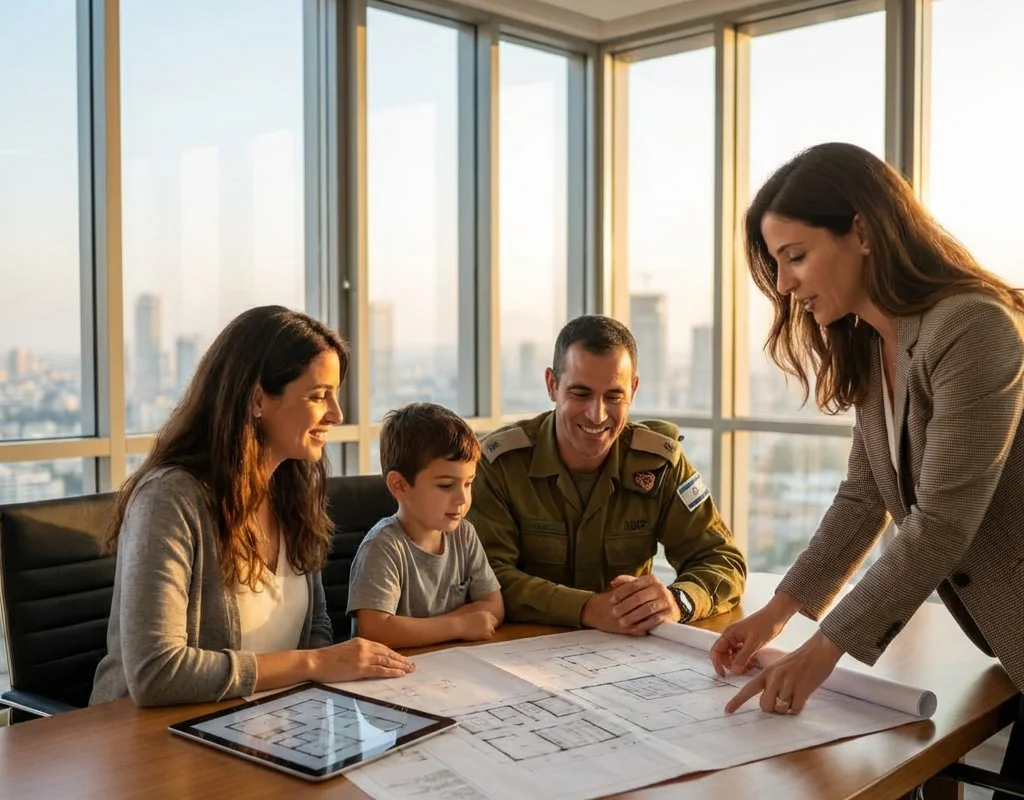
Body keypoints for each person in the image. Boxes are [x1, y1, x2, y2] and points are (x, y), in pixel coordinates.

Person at [713, 142, 1024, 728]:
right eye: (776, 262)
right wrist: (777, 613)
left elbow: (942, 520)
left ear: (861, 231)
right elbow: (863, 497)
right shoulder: (874, 345)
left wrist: (822, 650)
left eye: (795, 256)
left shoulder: (972, 326)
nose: (783, 283)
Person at [90, 306, 414, 707]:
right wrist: (313, 664)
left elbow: (315, 627)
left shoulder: (293, 489)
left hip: (266, 721)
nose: (336, 413)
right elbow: (155, 673)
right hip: (153, 733)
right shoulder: (168, 499)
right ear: (257, 399)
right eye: (318, 396)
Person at [469, 315, 746, 633]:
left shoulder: (659, 462)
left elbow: (721, 559)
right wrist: (586, 609)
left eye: (614, 396)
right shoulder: (499, 464)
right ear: (552, 385)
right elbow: (485, 576)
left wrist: (678, 601)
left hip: (628, 652)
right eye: (580, 394)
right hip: (517, 646)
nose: (597, 414)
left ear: (634, 389)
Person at [347, 403, 504, 648]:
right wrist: (459, 625)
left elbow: (494, 606)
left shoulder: (464, 534)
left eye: (468, 483)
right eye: (446, 485)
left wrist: (428, 629)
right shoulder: (384, 546)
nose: (462, 499)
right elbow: (374, 630)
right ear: (400, 485)